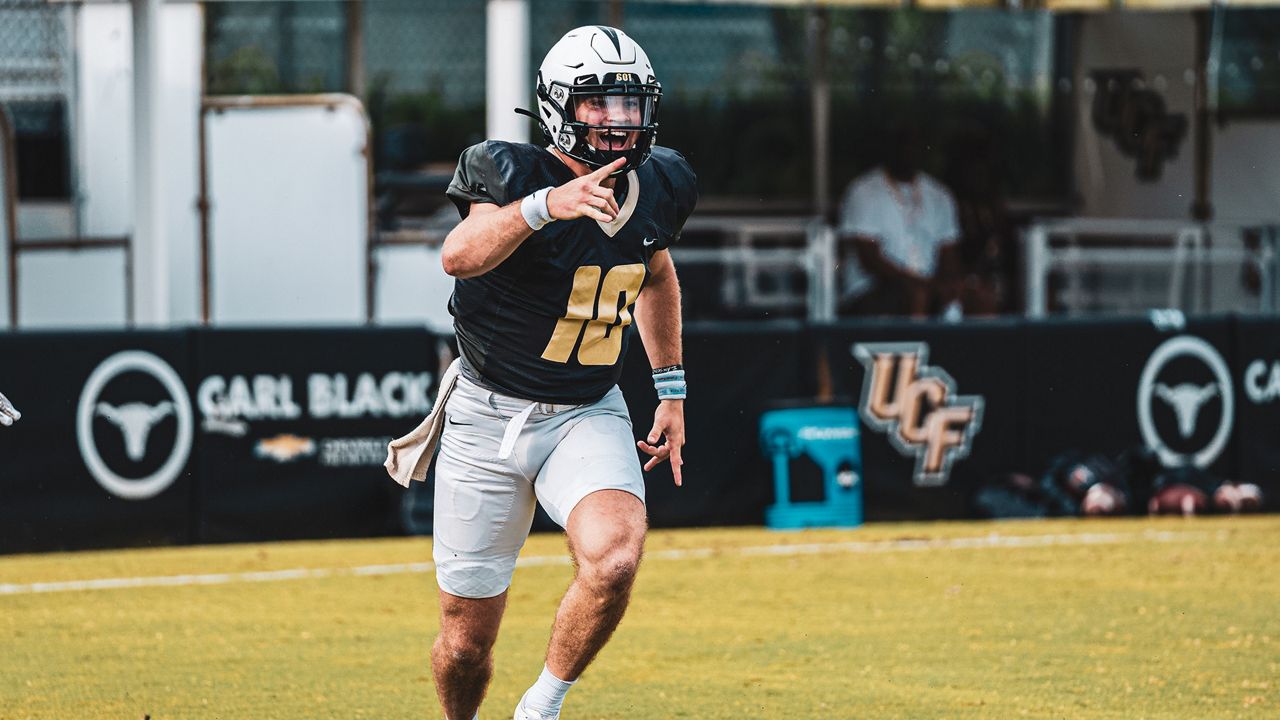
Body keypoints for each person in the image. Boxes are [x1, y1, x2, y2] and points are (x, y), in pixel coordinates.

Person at [386, 26, 696, 720]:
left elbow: (655, 272)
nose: (619, 120)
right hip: (484, 415)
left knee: (614, 559)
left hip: (586, 409)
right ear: (558, 106)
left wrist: (670, 388)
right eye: (600, 104)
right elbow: (458, 255)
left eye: (631, 103)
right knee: (465, 646)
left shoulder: (664, 181)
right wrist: (543, 207)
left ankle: (542, 705)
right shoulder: (511, 173)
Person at [837, 125, 961, 318]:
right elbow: (869, 258)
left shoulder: (939, 194)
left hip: (927, 283)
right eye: (901, 145)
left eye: (914, 145)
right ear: (888, 150)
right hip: (872, 289)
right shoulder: (863, 191)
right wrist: (917, 282)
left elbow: (948, 252)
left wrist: (948, 285)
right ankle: (919, 348)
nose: (908, 151)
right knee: (918, 294)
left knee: (976, 296)